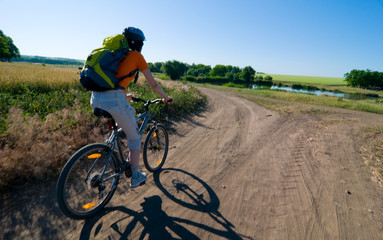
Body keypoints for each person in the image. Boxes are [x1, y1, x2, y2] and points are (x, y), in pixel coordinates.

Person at [90, 27, 172, 188]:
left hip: (96, 98)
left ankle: (110, 144)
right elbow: (153, 84)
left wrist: (124, 95)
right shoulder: (136, 56)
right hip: (114, 100)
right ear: (138, 43)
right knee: (134, 139)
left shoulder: (112, 55)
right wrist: (165, 97)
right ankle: (135, 177)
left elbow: (113, 81)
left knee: (122, 120)